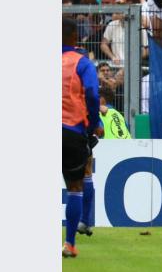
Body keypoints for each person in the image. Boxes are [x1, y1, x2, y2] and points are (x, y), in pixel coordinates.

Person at [62, 17, 103, 257]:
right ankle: (70, 243)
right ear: (76, 38)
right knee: (75, 185)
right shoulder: (82, 63)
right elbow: (91, 93)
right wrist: (94, 123)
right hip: (72, 130)